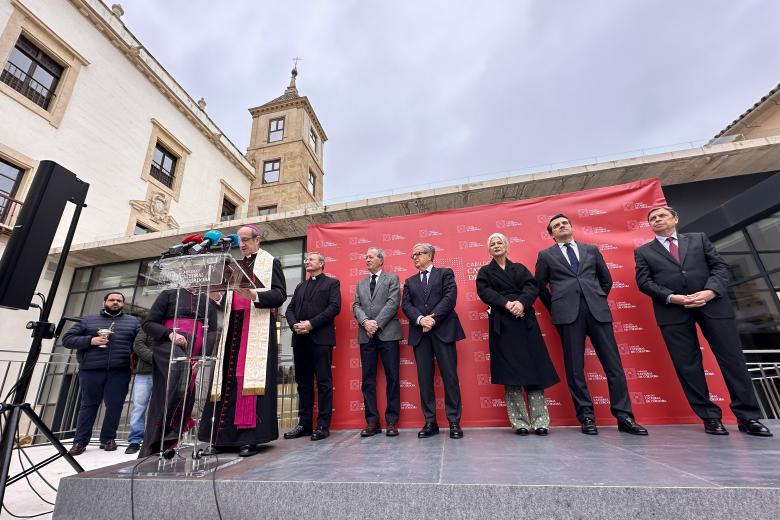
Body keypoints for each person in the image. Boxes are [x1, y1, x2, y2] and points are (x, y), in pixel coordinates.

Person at [634, 206, 772, 436]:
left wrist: (710, 292)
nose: (657, 220)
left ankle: (748, 417)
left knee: (733, 361)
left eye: (662, 216)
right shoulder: (643, 252)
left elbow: (720, 267)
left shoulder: (698, 239)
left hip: (713, 306)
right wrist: (672, 298)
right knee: (688, 366)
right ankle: (709, 418)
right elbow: (644, 282)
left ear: (675, 219)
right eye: (652, 218)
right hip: (674, 312)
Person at [535, 214, 647, 436]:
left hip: (598, 312)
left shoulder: (591, 250)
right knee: (575, 368)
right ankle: (586, 416)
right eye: (556, 226)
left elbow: (606, 280)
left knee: (613, 365)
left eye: (564, 223)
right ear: (552, 234)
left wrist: (596, 297)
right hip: (567, 316)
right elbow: (539, 286)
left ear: (571, 227)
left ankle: (624, 416)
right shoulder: (546, 255)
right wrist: (557, 306)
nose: (561, 226)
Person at [199, 224, 287, 456]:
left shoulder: (271, 262)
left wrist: (255, 294)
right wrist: (216, 297)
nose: (242, 244)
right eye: (240, 240)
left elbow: (279, 295)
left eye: (246, 239)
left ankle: (248, 438)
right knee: (225, 379)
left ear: (258, 240)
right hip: (232, 327)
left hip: (254, 326)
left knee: (243, 378)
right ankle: (219, 438)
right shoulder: (232, 266)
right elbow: (227, 299)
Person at [476, 233, 559, 435]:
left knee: (534, 371)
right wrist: (506, 304)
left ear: (507, 246)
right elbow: (484, 291)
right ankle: (520, 422)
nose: (496, 246)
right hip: (502, 324)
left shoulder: (520, 268)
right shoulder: (485, 272)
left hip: (525, 321)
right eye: (492, 244)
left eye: (499, 243)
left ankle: (540, 421)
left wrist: (521, 303)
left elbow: (532, 286)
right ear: (489, 250)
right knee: (510, 374)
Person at [139, 287, 218, 458]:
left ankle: (170, 442)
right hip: (168, 345)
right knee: (172, 385)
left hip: (193, 352)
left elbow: (211, 332)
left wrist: (201, 358)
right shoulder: (168, 294)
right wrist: (170, 334)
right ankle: (154, 445)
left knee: (186, 394)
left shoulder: (208, 301)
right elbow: (148, 324)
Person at [62, 292, 139, 456]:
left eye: (119, 300)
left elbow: (139, 343)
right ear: (104, 302)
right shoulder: (87, 320)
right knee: (88, 404)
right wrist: (90, 340)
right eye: (112, 300)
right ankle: (80, 442)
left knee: (115, 405)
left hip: (120, 370)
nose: (115, 302)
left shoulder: (132, 322)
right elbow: (67, 339)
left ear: (123, 304)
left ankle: (108, 439)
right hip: (91, 369)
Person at [401, 243, 465, 439]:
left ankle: (454, 421)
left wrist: (433, 318)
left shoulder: (445, 273)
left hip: (443, 330)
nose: (415, 258)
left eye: (418, 254)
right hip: (421, 333)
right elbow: (406, 305)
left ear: (430, 255)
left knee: (450, 377)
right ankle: (430, 422)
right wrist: (421, 319)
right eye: (413, 255)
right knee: (424, 379)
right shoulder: (409, 281)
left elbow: (450, 297)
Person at [284, 252, 341, 441]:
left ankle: (323, 425)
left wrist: (311, 324)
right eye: (306, 259)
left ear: (322, 264)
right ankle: (305, 424)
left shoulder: (332, 283)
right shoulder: (301, 286)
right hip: (300, 340)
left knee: (324, 383)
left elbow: (334, 308)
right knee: (303, 384)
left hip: (321, 340)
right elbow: (289, 309)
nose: (306, 261)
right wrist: (294, 326)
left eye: (311, 259)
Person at [352, 247, 402, 437]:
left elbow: (393, 302)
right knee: (368, 380)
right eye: (365, 257)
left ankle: (391, 421)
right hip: (366, 336)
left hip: (388, 334)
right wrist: (365, 322)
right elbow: (356, 305)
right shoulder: (360, 283)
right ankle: (372, 422)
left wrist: (377, 323)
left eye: (371, 257)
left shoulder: (392, 279)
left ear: (381, 260)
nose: (367, 259)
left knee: (393, 378)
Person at [125, 329, 153, 454]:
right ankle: (135, 440)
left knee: (161, 407)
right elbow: (138, 345)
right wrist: (155, 358)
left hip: (165, 372)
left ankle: (155, 440)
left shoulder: (172, 326)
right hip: (144, 373)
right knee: (139, 406)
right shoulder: (147, 328)